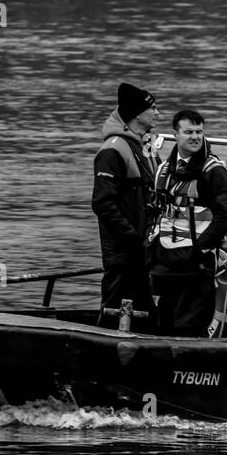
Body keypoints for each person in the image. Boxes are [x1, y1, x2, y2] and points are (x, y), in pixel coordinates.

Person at [147, 109, 227, 336]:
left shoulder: (213, 171)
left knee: (189, 327)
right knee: (160, 324)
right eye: (188, 132)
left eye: (199, 132)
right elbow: (155, 212)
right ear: (175, 134)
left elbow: (225, 217)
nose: (195, 137)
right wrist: (151, 246)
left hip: (196, 265)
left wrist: (200, 248)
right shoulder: (163, 170)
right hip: (164, 263)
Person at [91, 82, 160, 329]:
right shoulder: (112, 152)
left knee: (145, 311)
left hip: (144, 248)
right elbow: (102, 203)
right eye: (152, 108)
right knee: (113, 309)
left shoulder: (145, 146)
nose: (157, 113)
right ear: (136, 113)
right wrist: (131, 236)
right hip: (124, 251)